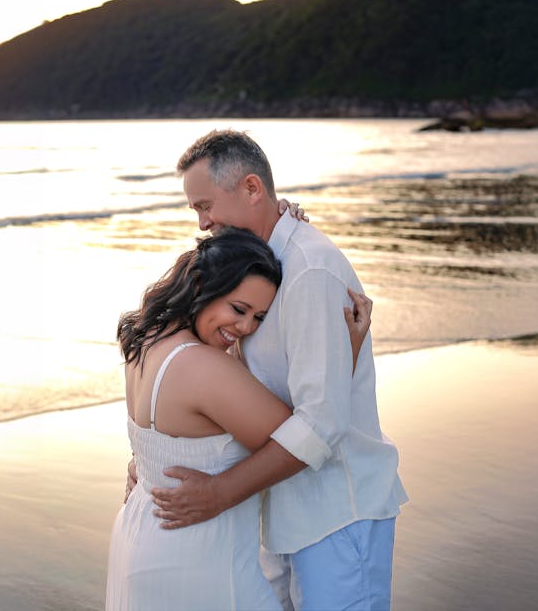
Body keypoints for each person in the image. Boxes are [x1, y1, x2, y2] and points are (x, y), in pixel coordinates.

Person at [152, 130, 408, 610]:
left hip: (336, 510)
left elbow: (321, 423)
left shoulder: (309, 270)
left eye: (206, 206)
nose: (204, 223)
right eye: (196, 211)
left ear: (252, 189)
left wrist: (219, 494)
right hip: (281, 508)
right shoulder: (260, 264)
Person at [106, 228, 373, 609]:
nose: (246, 328)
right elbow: (305, 439)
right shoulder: (205, 368)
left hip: (142, 535)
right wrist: (346, 350)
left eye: (260, 317)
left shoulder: (146, 339)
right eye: (239, 309)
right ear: (202, 286)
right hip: (198, 559)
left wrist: (142, 465)